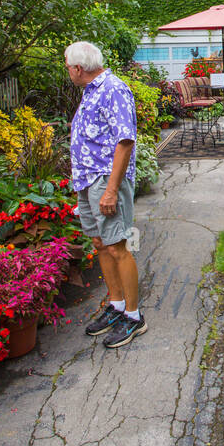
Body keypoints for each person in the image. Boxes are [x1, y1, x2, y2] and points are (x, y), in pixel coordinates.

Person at [66, 40, 147, 349]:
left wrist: (112, 189)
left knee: (117, 247)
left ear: (77, 68)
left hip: (105, 180)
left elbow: (125, 140)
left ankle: (133, 315)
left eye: (68, 68)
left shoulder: (113, 89)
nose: (68, 73)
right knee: (100, 242)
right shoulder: (92, 90)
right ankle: (115, 306)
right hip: (86, 180)